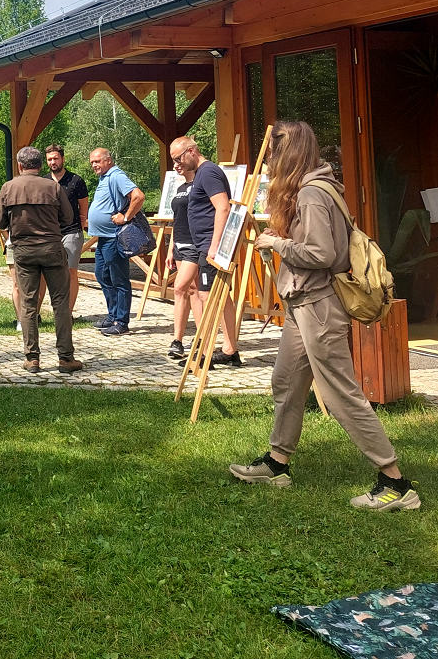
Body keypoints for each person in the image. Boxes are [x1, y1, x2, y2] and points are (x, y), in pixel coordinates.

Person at [230, 121, 421, 511]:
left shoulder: (313, 194)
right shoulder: (310, 190)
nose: (269, 162)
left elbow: (321, 254)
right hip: (302, 307)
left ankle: (395, 482)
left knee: (339, 394)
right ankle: (277, 463)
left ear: (290, 153)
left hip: (319, 307)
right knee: (286, 381)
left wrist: (276, 242)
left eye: (272, 154)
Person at [0, 146, 83, 374]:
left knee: (29, 304)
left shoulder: (8, 188)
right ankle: (66, 358)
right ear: (41, 166)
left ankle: (32, 358)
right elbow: (68, 217)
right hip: (52, 248)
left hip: (24, 251)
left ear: (20, 166)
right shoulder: (53, 186)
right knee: (60, 303)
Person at [172, 136, 241, 367]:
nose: (177, 163)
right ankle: (229, 350)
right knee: (218, 295)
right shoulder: (203, 173)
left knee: (209, 295)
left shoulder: (208, 172)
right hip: (205, 244)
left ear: (191, 151)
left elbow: (222, 207)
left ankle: (207, 351)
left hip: (211, 246)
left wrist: (214, 245)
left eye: (178, 157)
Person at [87, 148, 145, 337]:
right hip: (104, 238)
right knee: (102, 275)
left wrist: (126, 217)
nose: (94, 165)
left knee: (119, 279)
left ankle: (122, 322)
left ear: (108, 160)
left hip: (114, 237)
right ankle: (113, 316)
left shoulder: (116, 176)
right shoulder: (105, 177)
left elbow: (138, 196)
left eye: (97, 161)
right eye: (92, 162)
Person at [164, 150, 202, 361]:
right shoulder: (180, 188)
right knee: (192, 290)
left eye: (179, 160)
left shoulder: (199, 185)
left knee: (179, 288)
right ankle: (199, 338)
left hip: (195, 245)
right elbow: (176, 219)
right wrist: (171, 249)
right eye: (174, 162)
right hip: (179, 244)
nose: (176, 165)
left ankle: (177, 339)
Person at [45, 145, 89, 317]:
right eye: (49, 159)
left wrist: (80, 227)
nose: (53, 162)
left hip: (71, 231)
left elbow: (83, 210)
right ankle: (51, 309)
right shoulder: (44, 181)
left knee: (70, 271)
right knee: (49, 273)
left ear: (62, 159)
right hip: (50, 233)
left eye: (55, 158)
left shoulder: (76, 181)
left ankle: (67, 313)